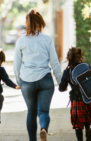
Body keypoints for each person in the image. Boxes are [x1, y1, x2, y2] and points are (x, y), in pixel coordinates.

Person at [13, 9, 62, 141]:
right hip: (45, 79)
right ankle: (44, 129)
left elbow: (16, 65)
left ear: (26, 23)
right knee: (44, 112)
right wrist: (61, 81)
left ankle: (32, 140)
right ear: (41, 23)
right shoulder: (47, 39)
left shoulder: (21, 41)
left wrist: (19, 82)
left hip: (27, 81)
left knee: (31, 112)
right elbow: (55, 63)